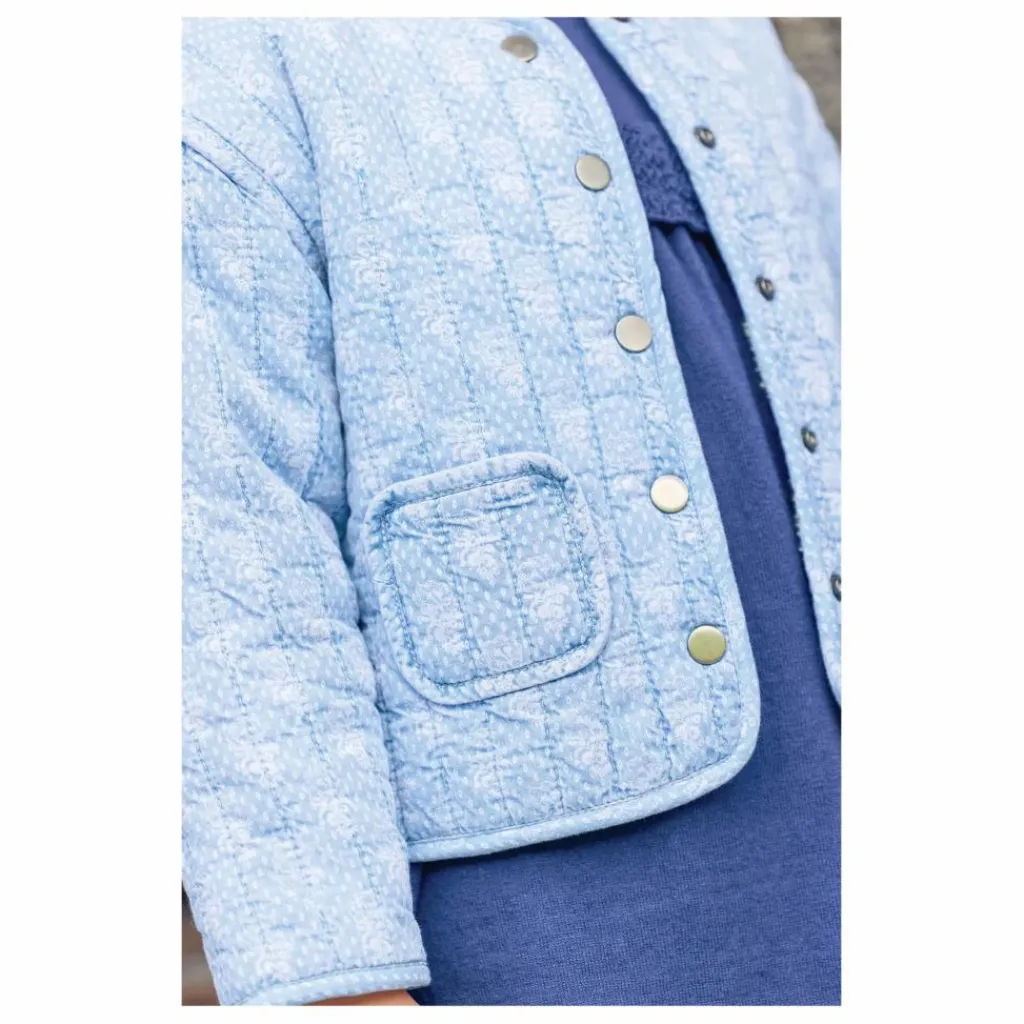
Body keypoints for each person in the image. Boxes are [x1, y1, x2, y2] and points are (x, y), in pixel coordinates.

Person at [182, 16, 840, 1006]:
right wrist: (331, 982)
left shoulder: (724, 29)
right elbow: (226, 550)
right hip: (546, 911)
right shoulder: (229, 47)